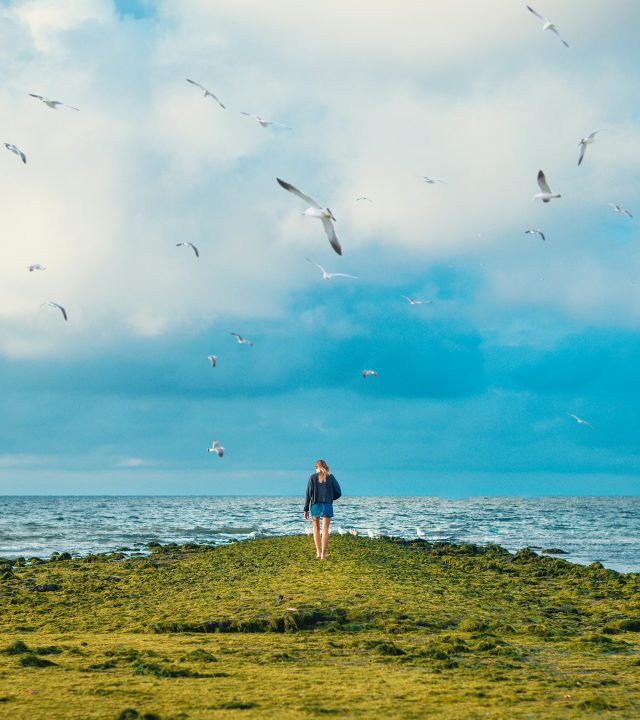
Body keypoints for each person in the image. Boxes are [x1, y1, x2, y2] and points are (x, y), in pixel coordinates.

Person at [303, 459, 342, 560]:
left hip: (315, 505)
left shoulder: (312, 477)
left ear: (317, 467)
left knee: (316, 529)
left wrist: (306, 509)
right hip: (327, 505)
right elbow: (338, 492)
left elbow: (308, 494)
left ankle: (318, 552)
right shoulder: (331, 477)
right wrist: (330, 498)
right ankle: (323, 555)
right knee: (325, 530)